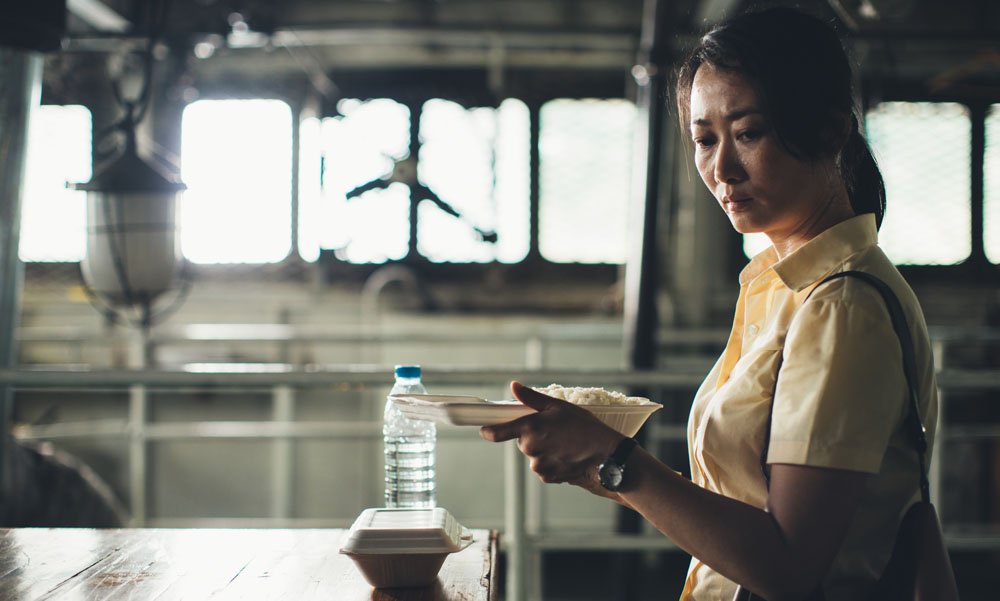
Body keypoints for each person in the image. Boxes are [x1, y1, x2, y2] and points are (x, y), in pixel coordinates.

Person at [480, 7, 939, 601]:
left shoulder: (841, 305)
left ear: (830, 131)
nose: (721, 168)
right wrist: (607, 468)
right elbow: (743, 514)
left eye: (748, 133)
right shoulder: (783, 285)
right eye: (704, 139)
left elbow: (788, 567)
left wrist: (619, 459)